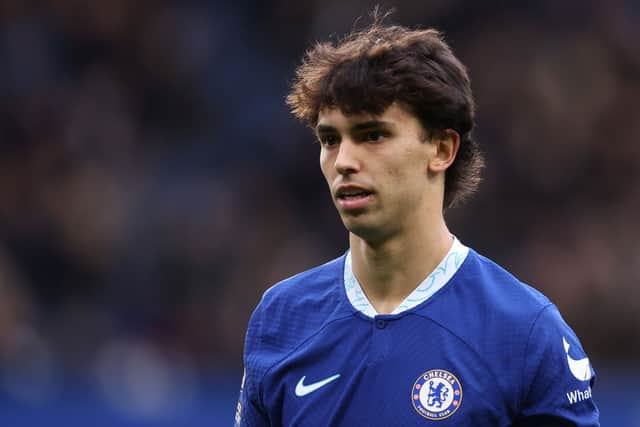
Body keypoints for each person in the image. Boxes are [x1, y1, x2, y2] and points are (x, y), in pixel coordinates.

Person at [234, 14, 599, 427]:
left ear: (442, 149)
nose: (345, 162)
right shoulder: (280, 317)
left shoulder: (526, 332)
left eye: (373, 135)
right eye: (330, 139)